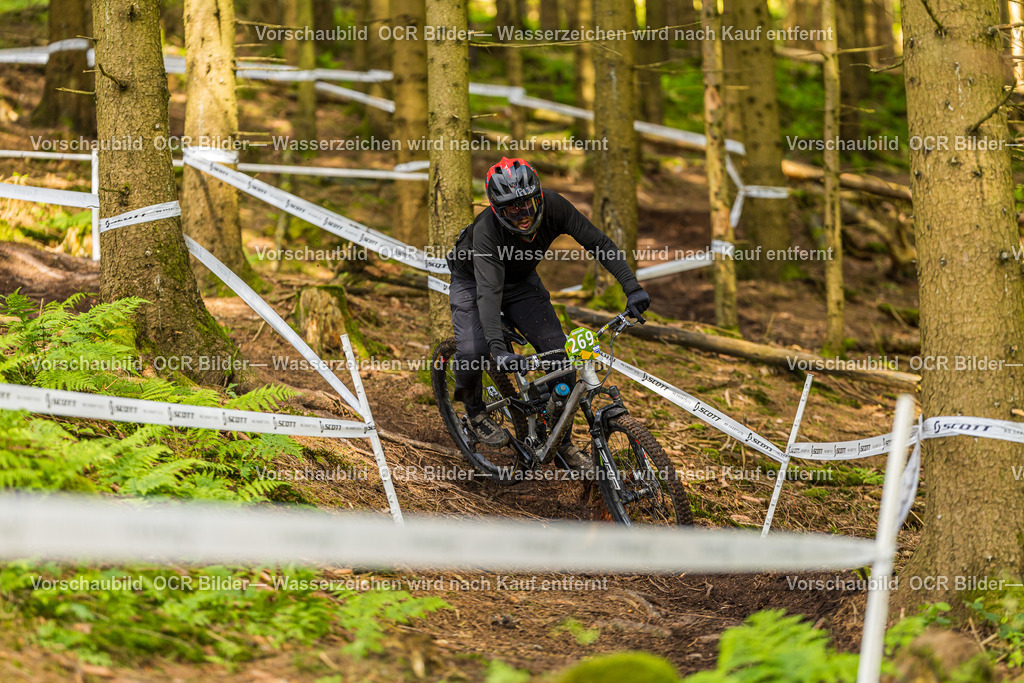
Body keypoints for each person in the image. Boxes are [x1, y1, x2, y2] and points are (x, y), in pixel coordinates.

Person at [445, 157, 651, 470]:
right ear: (497, 210)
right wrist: (498, 350)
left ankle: (560, 442)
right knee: (473, 350)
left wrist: (632, 287)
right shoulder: (487, 230)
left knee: (562, 361)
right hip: (474, 282)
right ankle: (474, 412)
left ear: (539, 197)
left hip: (519, 282)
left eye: (527, 205)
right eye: (512, 210)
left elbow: (598, 242)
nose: (523, 216)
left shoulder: (555, 206)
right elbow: (488, 293)